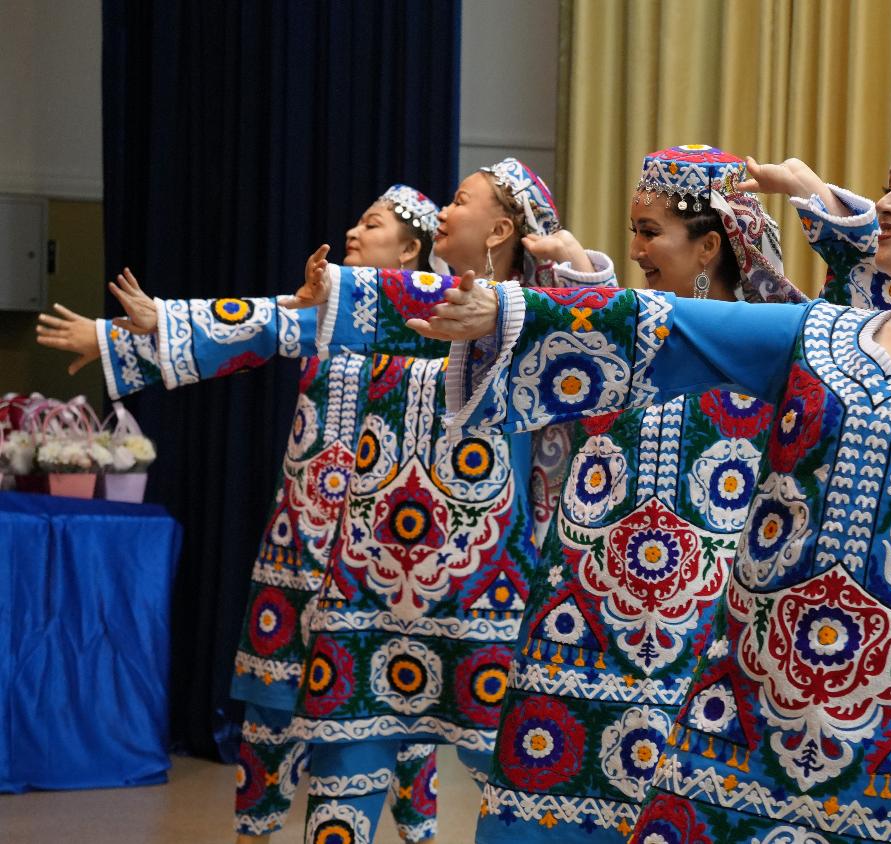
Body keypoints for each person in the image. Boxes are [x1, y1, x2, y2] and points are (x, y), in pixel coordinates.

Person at [408, 104, 891, 842]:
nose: (888, 204)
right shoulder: (816, 336)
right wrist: (502, 309)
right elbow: (655, 325)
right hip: (741, 722)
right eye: (889, 184)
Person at [82, 158, 615, 844]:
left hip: (484, 595)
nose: (446, 210)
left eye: (460, 200)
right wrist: (157, 323)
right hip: (367, 584)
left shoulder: (526, 323)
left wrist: (579, 269)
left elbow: (602, 350)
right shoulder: (406, 305)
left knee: (515, 785)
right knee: (338, 772)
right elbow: (278, 322)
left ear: (500, 231)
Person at [37, 185, 446, 844]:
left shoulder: (439, 320)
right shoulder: (326, 314)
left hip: (388, 556)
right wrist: (119, 337)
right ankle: (253, 831)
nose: (353, 232)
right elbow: (252, 327)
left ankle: (410, 829)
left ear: (411, 250)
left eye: (372, 225)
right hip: (302, 537)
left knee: (387, 705)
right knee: (270, 701)